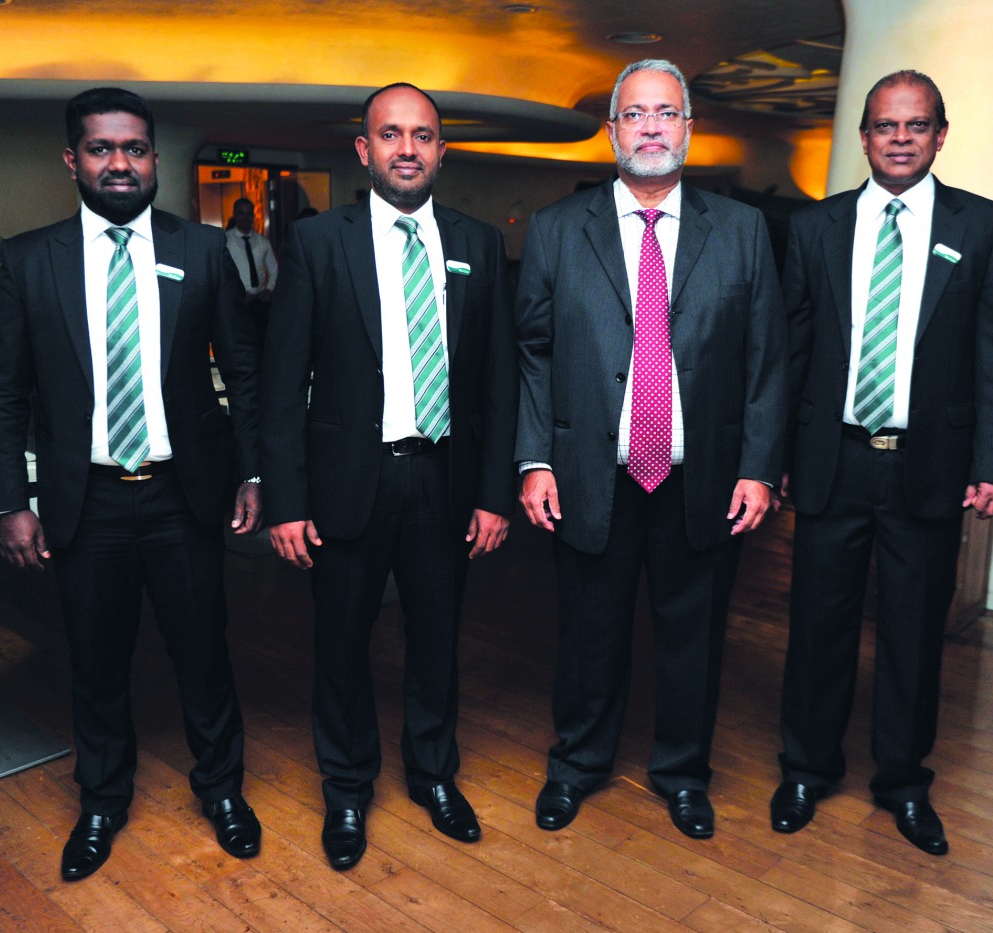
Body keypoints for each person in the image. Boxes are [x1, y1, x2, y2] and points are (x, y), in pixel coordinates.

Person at [0, 87, 264, 881]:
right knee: (96, 661)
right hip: (88, 501)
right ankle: (102, 801)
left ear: (154, 160)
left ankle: (224, 792)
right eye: (102, 149)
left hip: (183, 495)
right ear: (72, 159)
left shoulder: (204, 253)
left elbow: (244, 374)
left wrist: (253, 469)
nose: (119, 163)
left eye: (134, 149)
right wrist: (12, 500)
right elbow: (2, 391)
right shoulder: (28, 259)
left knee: (204, 653)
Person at [515, 59, 786, 839]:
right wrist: (534, 458)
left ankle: (682, 775)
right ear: (612, 132)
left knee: (692, 641)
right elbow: (532, 351)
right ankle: (576, 766)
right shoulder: (559, 230)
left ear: (690, 130)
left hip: (700, 478)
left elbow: (768, 359)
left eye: (667, 113)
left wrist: (759, 467)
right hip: (587, 475)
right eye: (636, 114)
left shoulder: (739, 231)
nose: (653, 127)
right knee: (588, 633)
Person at [260, 83, 517, 870]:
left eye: (424, 135)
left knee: (437, 641)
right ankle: (346, 790)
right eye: (391, 134)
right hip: (348, 483)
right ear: (363, 150)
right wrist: (287, 498)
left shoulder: (478, 242)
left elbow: (499, 380)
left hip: (442, 481)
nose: (408, 148)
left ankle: (435, 775)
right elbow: (279, 384)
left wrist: (493, 493)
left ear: (443, 150)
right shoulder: (315, 243)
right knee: (341, 645)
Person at [771, 70, 993, 855]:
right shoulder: (815, 228)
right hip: (832, 461)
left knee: (915, 634)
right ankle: (807, 769)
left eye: (916, 125)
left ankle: (904, 783)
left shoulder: (980, 225)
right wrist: (771, 456)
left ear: (941, 134)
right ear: (866, 137)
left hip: (930, 465)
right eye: (885, 125)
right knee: (817, 626)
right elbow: (791, 350)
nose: (901, 137)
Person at [224, 196, 278, 347]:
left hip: (260, 302)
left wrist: (269, 290)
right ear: (234, 214)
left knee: (262, 342)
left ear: (253, 216)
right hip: (237, 303)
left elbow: (274, 270)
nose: (245, 218)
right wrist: (237, 293)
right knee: (240, 344)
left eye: (249, 214)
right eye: (241, 213)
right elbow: (223, 274)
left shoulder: (262, 242)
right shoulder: (226, 241)